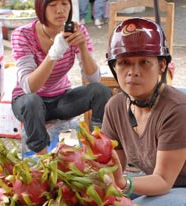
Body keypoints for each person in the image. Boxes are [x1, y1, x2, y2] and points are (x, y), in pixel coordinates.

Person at [102, 17, 186, 206]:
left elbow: (163, 180)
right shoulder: (115, 107)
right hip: (170, 196)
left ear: (161, 65)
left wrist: (123, 183)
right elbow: (112, 168)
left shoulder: (178, 108)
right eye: (124, 62)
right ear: (113, 66)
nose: (132, 72)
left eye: (144, 62)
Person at [10, 0, 112, 155]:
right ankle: (43, 161)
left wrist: (82, 46)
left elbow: (93, 79)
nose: (60, 10)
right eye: (52, 5)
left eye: (64, 4)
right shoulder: (23, 34)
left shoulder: (77, 31)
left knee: (101, 91)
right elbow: (29, 87)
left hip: (60, 101)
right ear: (41, 8)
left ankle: (98, 149)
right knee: (32, 101)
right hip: (29, 103)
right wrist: (55, 52)